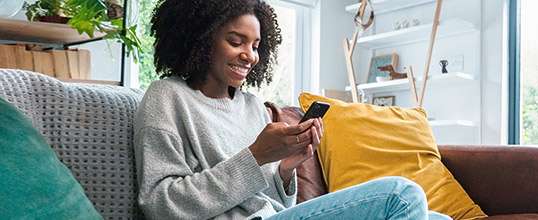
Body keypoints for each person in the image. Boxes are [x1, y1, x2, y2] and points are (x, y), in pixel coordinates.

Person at [134, 0, 451, 219]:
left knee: (438, 219)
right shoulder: (167, 97)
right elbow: (160, 205)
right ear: (200, 39)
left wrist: (286, 168)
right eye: (236, 41)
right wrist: (256, 155)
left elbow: (273, 202)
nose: (250, 55)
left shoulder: (252, 106)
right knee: (400, 195)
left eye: (256, 45)